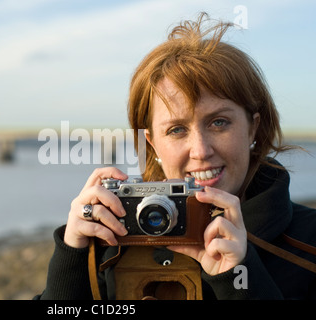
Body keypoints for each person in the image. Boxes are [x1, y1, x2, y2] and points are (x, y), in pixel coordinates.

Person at [35, 13, 316, 300]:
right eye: (177, 129)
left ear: (252, 128)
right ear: (153, 143)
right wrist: (72, 257)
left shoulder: (309, 241)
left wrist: (240, 279)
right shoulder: (117, 239)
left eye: (219, 122)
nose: (201, 150)